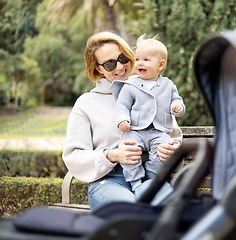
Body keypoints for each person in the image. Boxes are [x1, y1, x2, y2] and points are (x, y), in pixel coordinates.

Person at [62, 31, 183, 211]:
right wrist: (112, 155)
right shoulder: (85, 103)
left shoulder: (155, 92)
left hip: (150, 178)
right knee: (132, 211)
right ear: (98, 69)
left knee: (167, 209)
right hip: (108, 182)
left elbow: (174, 139)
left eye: (122, 57)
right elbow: (73, 156)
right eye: (110, 64)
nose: (120, 66)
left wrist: (172, 152)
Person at [111, 35, 186, 192]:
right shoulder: (131, 84)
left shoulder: (168, 85)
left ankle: (153, 179)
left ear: (161, 65)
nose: (139, 63)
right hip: (135, 130)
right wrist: (122, 120)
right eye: (137, 59)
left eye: (146, 59)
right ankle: (136, 182)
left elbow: (176, 100)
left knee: (163, 151)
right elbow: (122, 105)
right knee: (129, 153)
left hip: (159, 130)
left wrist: (177, 106)